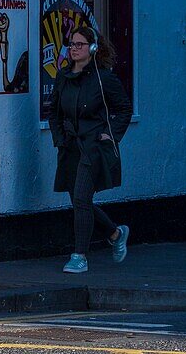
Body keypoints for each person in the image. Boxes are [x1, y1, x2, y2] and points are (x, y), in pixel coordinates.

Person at [46, 25, 133, 274]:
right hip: (70, 147)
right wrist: (59, 138)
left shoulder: (104, 78)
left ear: (93, 48)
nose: (74, 49)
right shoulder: (63, 77)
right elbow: (54, 111)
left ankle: (79, 256)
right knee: (79, 202)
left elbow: (124, 108)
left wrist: (111, 135)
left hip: (93, 148)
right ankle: (116, 234)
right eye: (72, 44)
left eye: (80, 44)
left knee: (82, 199)